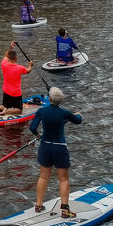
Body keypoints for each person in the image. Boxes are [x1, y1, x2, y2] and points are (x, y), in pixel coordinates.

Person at [30, 86, 83, 219]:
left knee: (43, 176)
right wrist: (78, 114)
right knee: (63, 179)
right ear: (60, 101)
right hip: (60, 148)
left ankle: (38, 205)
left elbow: (32, 128)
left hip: (45, 147)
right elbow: (78, 121)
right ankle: (65, 210)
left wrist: (38, 135)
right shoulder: (65, 113)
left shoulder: (42, 111)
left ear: (49, 99)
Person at [0, 41, 33, 115]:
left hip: (6, 90)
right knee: (19, 110)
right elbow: (28, 71)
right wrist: (30, 65)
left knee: (4, 105)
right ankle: (6, 112)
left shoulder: (3, 64)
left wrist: (11, 47)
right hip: (16, 93)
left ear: (8, 58)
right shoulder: (20, 68)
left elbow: (6, 55)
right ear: (16, 58)